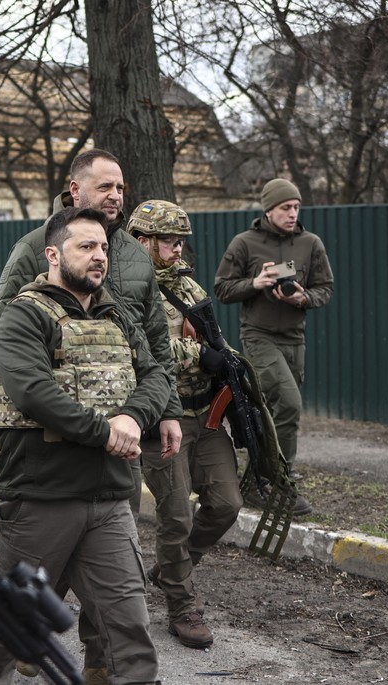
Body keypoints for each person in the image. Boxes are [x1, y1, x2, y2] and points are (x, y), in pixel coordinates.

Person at [0, 149, 182, 682]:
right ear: (52, 254)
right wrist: (105, 431)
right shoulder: (26, 315)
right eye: (85, 246)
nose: (99, 256)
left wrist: (134, 420)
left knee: (129, 632)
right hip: (43, 495)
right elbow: (32, 392)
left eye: (102, 247)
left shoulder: (116, 315)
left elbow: (158, 371)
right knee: (8, 631)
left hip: (110, 497)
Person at [127, 199, 243, 649]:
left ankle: (171, 570)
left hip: (204, 413)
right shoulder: (127, 289)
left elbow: (215, 338)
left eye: (181, 242)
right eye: (170, 242)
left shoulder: (190, 288)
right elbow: (144, 349)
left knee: (227, 504)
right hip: (160, 418)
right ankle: (182, 606)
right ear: (143, 241)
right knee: (174, 515)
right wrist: (197, 354)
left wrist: (228, 362)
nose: (178, 249)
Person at [214, 179, 332, 507]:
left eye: (296, 207)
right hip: (258, 336)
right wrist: (255, 282)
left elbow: (326, 288)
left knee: (280, 412)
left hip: (294, 338)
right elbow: (222, 288)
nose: (293, 213)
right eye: (285, 208)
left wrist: (303, 298)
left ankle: (257, 481)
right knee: (290, 403)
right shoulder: (245, 243)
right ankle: (280, 482)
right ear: (268, 210)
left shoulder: (311, 243)